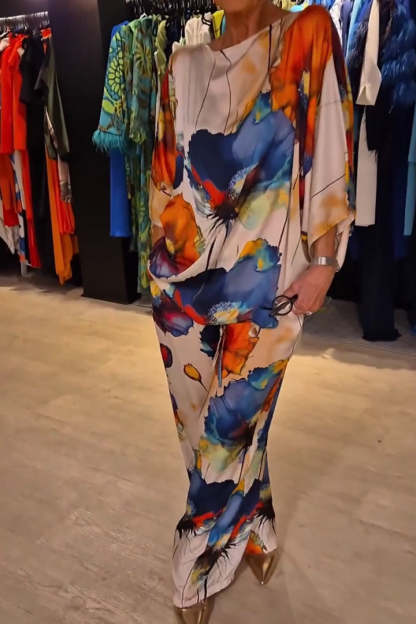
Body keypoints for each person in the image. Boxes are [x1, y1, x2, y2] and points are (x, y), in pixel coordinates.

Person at [148, 1, 354, 622]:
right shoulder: (182, 63)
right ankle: (257, 521)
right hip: (181, 292)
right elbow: (163, 177)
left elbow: (329, 146)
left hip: (272, 288)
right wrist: (158, 271)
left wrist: (324, 261)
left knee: (225, 435)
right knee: (201, 433)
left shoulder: (308, 33)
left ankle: (193, 567)